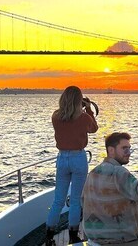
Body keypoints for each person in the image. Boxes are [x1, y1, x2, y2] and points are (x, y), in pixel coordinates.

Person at [82, 132, 138, 244]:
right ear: (111, 150)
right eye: (124, 149)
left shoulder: (93, 173)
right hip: (119, 235)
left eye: (129, 149)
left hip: (95, 234)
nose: (128, 153)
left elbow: (83, 200)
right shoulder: (119, 172)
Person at [45, 86, 98, 245]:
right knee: (75, 200)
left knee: (58, 200)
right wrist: (88, 109)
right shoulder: (84, 118)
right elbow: (94, 129)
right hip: (78, 158)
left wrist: (80, 108)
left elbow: (67, 117)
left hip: (62, 158)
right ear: (79, 100)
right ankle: (73, 236)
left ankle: (49, 237)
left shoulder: (55, 116)